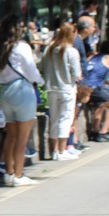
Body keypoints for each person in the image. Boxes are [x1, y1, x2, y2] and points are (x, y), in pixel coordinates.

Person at [0, 14, 43, 186]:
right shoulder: (21, 46)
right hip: (22, 90)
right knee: (23, 138)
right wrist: (40, 81)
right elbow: (31, 69)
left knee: (11, 136)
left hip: (6, 92)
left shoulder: (0, 48)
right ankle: (19, 175)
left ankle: (9, 173)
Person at [40, 23, 82, 160]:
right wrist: (77, 77)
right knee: (65, 119)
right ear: (72, 33)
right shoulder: (71, 51)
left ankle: (54, 151)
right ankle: (62, 151)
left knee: (54, 119)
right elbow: (76, 74)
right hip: (67, 89)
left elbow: (41, 67)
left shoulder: (49, 49)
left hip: (51, 88)